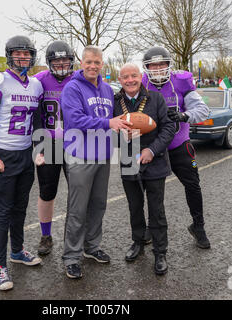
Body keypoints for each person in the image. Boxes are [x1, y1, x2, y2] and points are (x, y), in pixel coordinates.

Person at [0, 35, 43, 291]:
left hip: (25, 154)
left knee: (20, 208)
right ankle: (0, 267)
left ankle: (17, 251)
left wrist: (40, 150)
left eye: (27, 54)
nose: (23, 58)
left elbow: (37, 122)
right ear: (9, 55)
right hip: (2, 155)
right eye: (18, 53)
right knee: (2, 212)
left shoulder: (36, 85)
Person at [60, 45, 131, 279]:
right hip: (80, 155)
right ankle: (71, 256)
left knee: (99, 204)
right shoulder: (72, 88)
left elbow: (116, 118)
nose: (93, 66)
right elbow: (75, 119)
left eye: (97, 62)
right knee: (77, 209)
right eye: (89, 62)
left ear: (102, 64)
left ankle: (91, 247)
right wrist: (108, 123)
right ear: (81, 62)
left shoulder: (108, 89)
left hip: (103, 155)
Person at [142, 46, 211, 249]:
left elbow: (202, 109)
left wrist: (184, 116)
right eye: (153, 65)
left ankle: (198, 226)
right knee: (153, 190)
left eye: (161, 64)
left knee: (192, 186)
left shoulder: (180, 81)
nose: (157, 69)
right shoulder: (141, 83)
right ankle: (151, 227)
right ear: (146, 67)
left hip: (179, 144)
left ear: (168, 64)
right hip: (154, 147)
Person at [114, 63, 175, 275]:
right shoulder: (115, 102)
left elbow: (169, 127)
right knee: (134, 207)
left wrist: (152, 150)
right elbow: (109, 132)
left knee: (156, 210)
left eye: (134, 76)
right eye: (125, 77)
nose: (130, 80)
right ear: (119, 80)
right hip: (128, 161)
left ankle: (160, 252)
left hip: (154, 162)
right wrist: (119, 137)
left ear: (141, 77)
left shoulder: (155, 98)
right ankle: (138, 243)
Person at [32, 40, 75, 255]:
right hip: (48, 143)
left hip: (75, 143)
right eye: (56, 60)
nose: (61, 64)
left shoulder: (79, 79)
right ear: (49, 62)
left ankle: (76, 235)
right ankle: (46, 235)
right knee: (47, 192)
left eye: (65, 59)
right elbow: (32, 114)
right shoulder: (39, 81)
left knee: (77, 192)